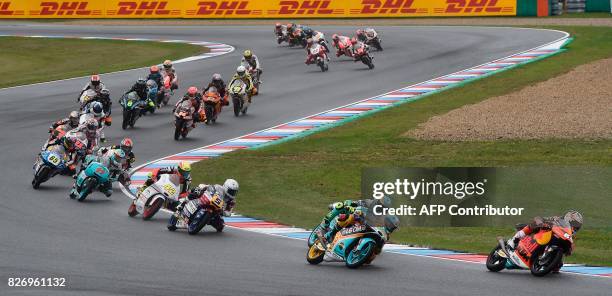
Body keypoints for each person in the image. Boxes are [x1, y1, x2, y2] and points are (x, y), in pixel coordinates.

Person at [507, 210, 583, 273]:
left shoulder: (569, 235)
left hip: (553, 244)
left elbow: (569, 251)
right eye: (574, 224)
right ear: (569, 219)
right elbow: (540, 219)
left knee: (558, 267)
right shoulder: (557, 219)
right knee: (535, 223)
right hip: (541, 235)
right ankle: (515, 239)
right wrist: (544, 223)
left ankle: (545, 262)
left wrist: (569, 250)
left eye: (577, 226)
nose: (575, 227)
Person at [175, 179, 239, 232]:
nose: (232, 193)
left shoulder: (231, 201)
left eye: (234, 192)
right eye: (231, 191)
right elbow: (208, 187)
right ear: (226, 187)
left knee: (220, 226)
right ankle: (183, 204)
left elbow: (228, 213)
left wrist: (223, 211)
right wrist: (204, 189)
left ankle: (206, 220)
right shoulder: (218, 187)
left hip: (216, 211)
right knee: (196, 192)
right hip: (206, 200)